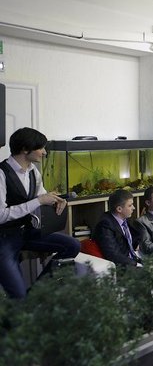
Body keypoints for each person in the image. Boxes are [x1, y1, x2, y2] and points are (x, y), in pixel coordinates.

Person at [0, 127, 80, 299]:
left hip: (27, 231)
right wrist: (39, 201)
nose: (44, 152)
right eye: (41, 148)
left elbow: (41, 197)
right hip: (4, 238)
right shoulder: (1, 173)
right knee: (18, 296)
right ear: (25, 149)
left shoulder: (33, 172)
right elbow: (1, 215)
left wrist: (56, 200)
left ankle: (35, 294)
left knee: (73, 245)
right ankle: (23, 301)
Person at [92, 189, 142, 269]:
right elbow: (113, 255)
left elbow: (134, 242)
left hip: (133, 260)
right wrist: (136, 264)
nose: (134, 208)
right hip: (122, 268)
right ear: (119, 209)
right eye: (130, 205)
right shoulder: (105, 225)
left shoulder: (124, 219)